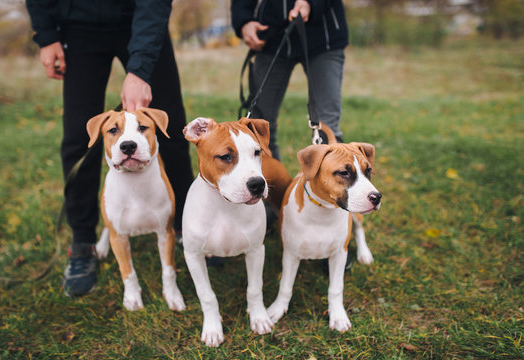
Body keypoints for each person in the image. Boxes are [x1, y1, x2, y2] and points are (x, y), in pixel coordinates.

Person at [25, 0, 194, 297]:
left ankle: (184, 225)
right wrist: (47, 34)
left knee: (172, 132)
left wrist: (140, 69)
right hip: (78, 26)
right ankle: (82, 242)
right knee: (79, 139)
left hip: (140, 20)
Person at [231, 0, 349, 160]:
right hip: (270, 36)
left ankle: (333, 183)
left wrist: (311, 3)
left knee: (327, 129)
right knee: (257, 129)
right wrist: (244, 20)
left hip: (324, 36)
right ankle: (267, 183)